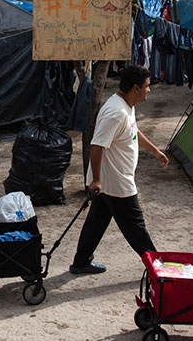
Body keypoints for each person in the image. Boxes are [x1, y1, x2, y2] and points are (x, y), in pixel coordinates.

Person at [69, 65, 169, 275]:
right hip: (115, 182)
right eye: (147, 86)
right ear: (135, 88)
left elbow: (133, 131)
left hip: (110, 180)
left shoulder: (126, 106)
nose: (149, 90)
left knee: (97, 221)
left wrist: (155, 151)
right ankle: (157, 269)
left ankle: (81, 262)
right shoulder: (115, 112)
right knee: (136, 227)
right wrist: (96, 179)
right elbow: (97, 145)